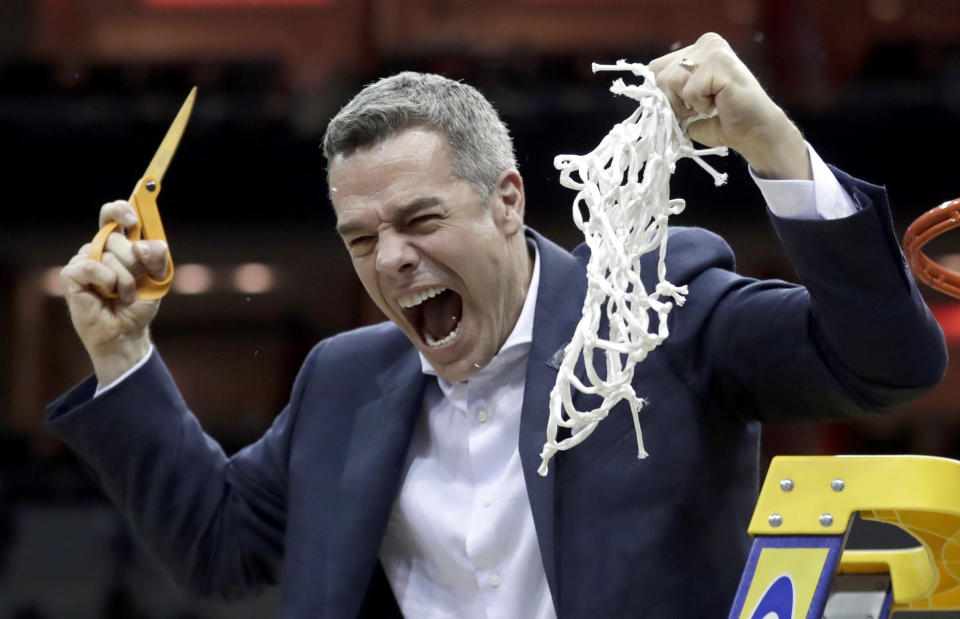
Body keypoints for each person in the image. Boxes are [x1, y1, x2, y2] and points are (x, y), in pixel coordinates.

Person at [48, 33, 947, 618]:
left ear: (508, 201)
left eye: (420, 221)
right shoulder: (342, 378)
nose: (391, 258)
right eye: (361, 238)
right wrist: (123, 353)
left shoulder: (653, 308)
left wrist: (777, 149)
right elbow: (219, 547)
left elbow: (886, 364)